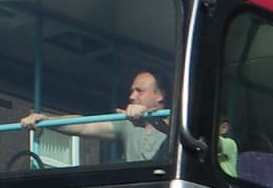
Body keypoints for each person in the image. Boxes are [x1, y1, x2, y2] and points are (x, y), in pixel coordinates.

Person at [19, 69, 169, 162]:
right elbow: (84, 125)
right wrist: (46, 120)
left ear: (159, 96)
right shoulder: (127, 123)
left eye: (140, 91)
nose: (132, 96)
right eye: (131, 91)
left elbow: (173, 131)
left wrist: (149, 118)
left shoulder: (179, 121)